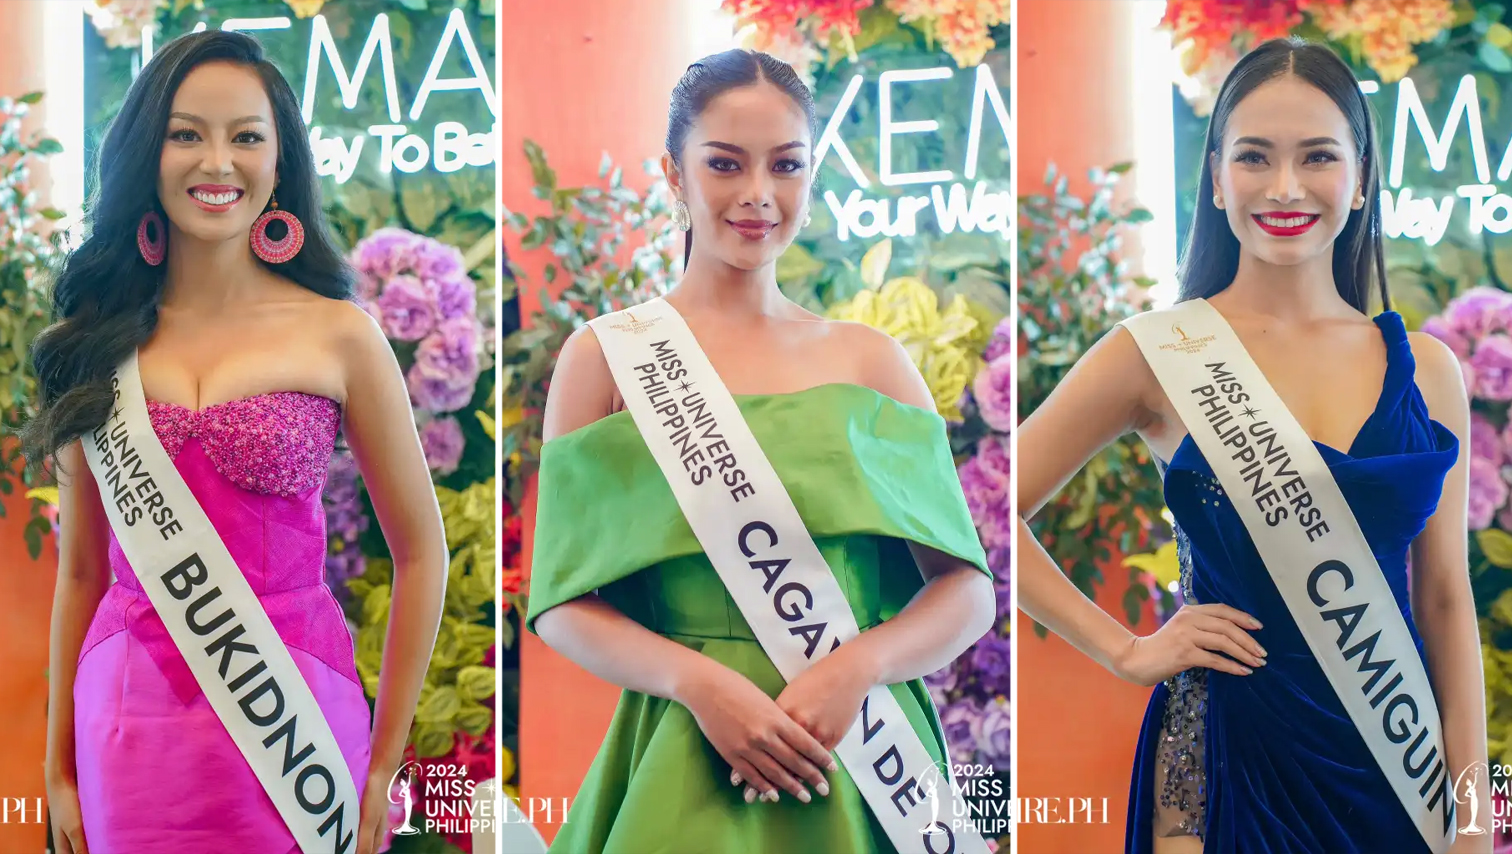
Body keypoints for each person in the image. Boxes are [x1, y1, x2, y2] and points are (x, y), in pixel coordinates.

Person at [1017, 37, 1489, 854]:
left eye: (1318, 157)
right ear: (1215, 176)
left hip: (1395, 765)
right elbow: (976, 513)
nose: (1284, 187)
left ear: (1363, 178)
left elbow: (1447, 602)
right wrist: (1124, 650)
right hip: (1223, 764)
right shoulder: (1158, 353)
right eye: (1254, 157)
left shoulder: (1428, 372)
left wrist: (1475, 821)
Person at [525, 49, 998, 853]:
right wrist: (699, 684)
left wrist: (857, 668)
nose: (757, 193)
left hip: (863, 758)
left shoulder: (871, 361)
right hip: (686, 753)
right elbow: (562, 603)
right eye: (724, 164)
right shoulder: (608, 355)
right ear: (674, 175)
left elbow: (966, 592)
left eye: (785, 165)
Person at [27, 31, 449, 854]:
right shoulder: (91, 344)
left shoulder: (340, 336)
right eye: (186, 133)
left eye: (246, 136)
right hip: (126, 724)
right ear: (146, 154)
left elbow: (421, 552)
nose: (217, 162)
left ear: (280, 161)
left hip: (293, 723)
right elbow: (79, 574)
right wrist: (58, 767)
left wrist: (384, 763)